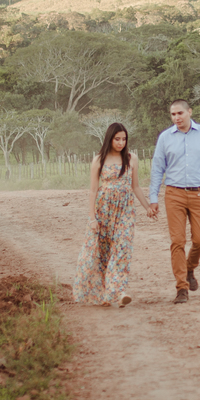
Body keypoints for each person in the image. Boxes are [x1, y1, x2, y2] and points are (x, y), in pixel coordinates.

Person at [73, 123, 156, 307]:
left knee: (122, 250)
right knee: (102, 253)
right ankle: (104, 293)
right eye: (117, 139)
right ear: (110, 139)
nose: (121, 142)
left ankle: (118, 291)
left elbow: (135, 187)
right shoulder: (98, 160)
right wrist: (92, 218)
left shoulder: (131, 158)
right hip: (103, 210)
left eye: (124, 139)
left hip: (125, 211)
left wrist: (147, 207)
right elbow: (93, 191)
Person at [149, 99, 200, 304]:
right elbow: (157, 170)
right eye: (173, 115)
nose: (176, 118)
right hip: (174, 194)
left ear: (189, 112)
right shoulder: (165, 138)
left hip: (199, 193)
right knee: (177, 241)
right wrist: (153, 198)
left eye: (180, 113)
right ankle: (181, 287)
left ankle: (190, 268)